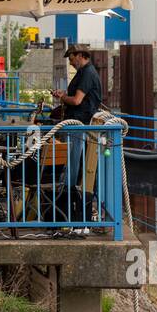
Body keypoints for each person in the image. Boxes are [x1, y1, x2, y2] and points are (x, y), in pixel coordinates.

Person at [52, 45, 104, 206]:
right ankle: (72, 195)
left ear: (80, 55)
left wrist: (62, 98)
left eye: (72, 59)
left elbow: (76, 100)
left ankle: (68, 197)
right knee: (74, 161)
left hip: (79, 123)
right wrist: (64, 95)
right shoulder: (85, 72)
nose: (71, 63)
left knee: (73, 161)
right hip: (78, 122)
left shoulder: (87, 73)